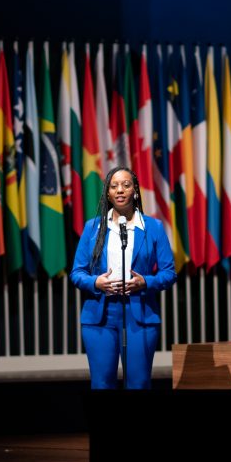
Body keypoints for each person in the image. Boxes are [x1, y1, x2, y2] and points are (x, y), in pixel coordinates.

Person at [69, 167, 176, 389]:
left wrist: (145, 282)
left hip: (140, 315)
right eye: (114, 186)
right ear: (108, 193)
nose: (120, 190)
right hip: (100, 316)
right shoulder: (93, 227)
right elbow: (77, 273)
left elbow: (169, 273)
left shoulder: (153, 227)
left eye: (126, 185)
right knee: (102, 383)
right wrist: (95, 282)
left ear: (135, 191)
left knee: (139, 383)